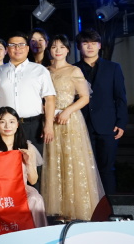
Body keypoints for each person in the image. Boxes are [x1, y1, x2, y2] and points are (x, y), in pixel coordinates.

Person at [42, 34, 104, 220]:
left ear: (68, 50)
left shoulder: (74, 70)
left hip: (70, 121)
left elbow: (84, 97)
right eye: (54, 47)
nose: (58, 50)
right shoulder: (44, 71)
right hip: (50, 121)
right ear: (49, 50)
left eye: (62, 47)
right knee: (53, 162)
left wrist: (67, 111)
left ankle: (74, 211)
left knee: (72, 162)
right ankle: (57, 211)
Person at [0, 32, 55, 190]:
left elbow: (50, 99)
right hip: (6, 127)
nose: (17, 48)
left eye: (21, 45)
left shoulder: (39, 70)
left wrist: (48, 125)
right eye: (12, 45)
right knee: (7, 168)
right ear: (7, 49)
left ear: (28, 48)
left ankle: (34, 203)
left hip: (33, 125)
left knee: (33, 168)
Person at [75, 29, 127, 196]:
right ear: (79, 47)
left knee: (107, 169)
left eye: (93, 43)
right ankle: (90, 206)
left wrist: (121, 123)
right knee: (86, 169)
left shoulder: (113, 68)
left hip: (108, 126)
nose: (90, 46)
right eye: (85, 43)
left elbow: (120, 97)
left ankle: (109, 205)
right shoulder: (73, 69)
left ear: (99, 45)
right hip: (81, 126)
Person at [0, 107, 48, 228]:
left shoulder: (27, 147)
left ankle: (38, 236)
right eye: (2, 122)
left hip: (21, 190)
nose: (7, 126)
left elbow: (33, 181)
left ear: (17, 124)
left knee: (35, 199)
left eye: (11, 122)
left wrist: (28, 162)